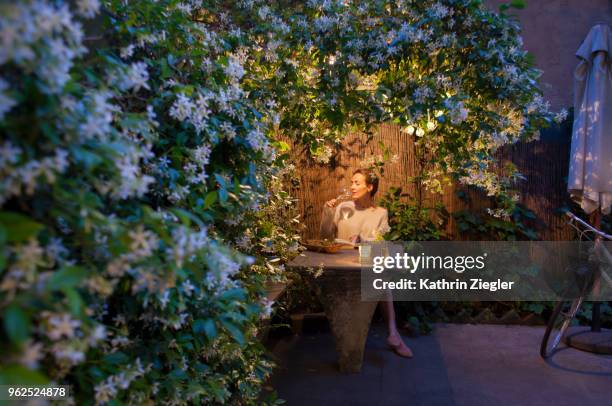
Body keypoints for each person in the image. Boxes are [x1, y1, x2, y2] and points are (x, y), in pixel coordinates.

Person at [321, 169, 413, 358]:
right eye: (351, 182)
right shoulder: (343, 207)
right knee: (381, 276)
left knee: (381, 274)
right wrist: (327, 213)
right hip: (340, 261)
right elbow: (325, 237)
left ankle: (393, 333)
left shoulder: (381, 213)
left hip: (364, 260)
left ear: (370, 187)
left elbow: (379, 243)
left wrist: (363, 240)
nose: (352, 186)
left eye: (357, 183)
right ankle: (393, 333)